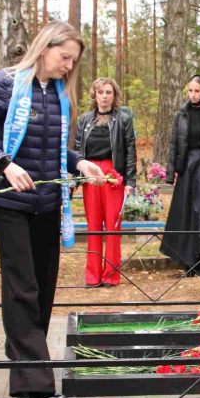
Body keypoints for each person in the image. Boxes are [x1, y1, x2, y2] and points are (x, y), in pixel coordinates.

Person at [0, 20, 105, 398]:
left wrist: (80, 165)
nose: (68, 67)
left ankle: (27, 362)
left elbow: (56, 148)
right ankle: (33, 386)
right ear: (44, 49)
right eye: (64, 58)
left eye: (73, 61)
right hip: (10, 200)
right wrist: (5, 164)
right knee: (22, 287)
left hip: (48, 201)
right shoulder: (5, 84)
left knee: (42, 289)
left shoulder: (60, 94)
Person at [160, 75, 200, 277]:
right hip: (187, 168)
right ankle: (187, 261)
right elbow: (173, 145)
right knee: (186, 214)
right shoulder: (181, 115)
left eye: (197, 91)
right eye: (190, 90)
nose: (193, 95)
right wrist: (171, 173)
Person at [74, 77, 136, 287]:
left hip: (112, 175)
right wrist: (75, 179)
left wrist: (130, 181)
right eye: (101, 92)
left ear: (114, 95)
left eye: (109, 92)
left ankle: (111, 275)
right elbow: (76, 150)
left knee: (112, 227)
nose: (104, 96)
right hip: (91, 174)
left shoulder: (124, 119)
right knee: (93, 227)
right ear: (95, 94)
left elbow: (130, 151)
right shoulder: (84, 120)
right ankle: (92, 276)